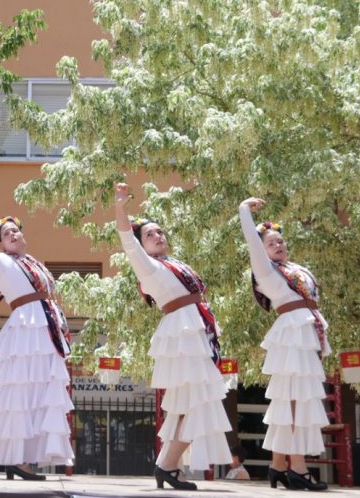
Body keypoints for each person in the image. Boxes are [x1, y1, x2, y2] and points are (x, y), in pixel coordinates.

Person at [113, 182, 231, 491]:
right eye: (149, 234)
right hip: (183, 332)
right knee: (196, 403)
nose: (157, 235)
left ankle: (167, 465)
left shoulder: (173, 264)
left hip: (194, 329)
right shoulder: (147, 266)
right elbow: (127, 241)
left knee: (186, 404)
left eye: (160, 231)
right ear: (142, 243)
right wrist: (120, 207)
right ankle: (167, 465)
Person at [0, 196, 74, 481]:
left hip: (45, 327)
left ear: (23, 236)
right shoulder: (1, 262)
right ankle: (17, 460)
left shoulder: (33, 263)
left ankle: (23, 460)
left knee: (41, 394)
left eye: (15, 230)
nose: (12, 234)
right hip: (26, 327)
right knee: (22, 394)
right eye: (6, 233)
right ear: (1, 243)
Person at [239, 197, 329, 491]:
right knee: (294, 403)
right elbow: (252, 242)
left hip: (303, 334)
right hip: (292, 336)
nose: (279, 245)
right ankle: (298, 470)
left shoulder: (294, 268)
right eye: (271, 243)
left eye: (281, 241)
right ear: (262, 250)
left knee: (290, 402)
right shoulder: (266, 271)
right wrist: (245, 212)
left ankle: (278, 466)